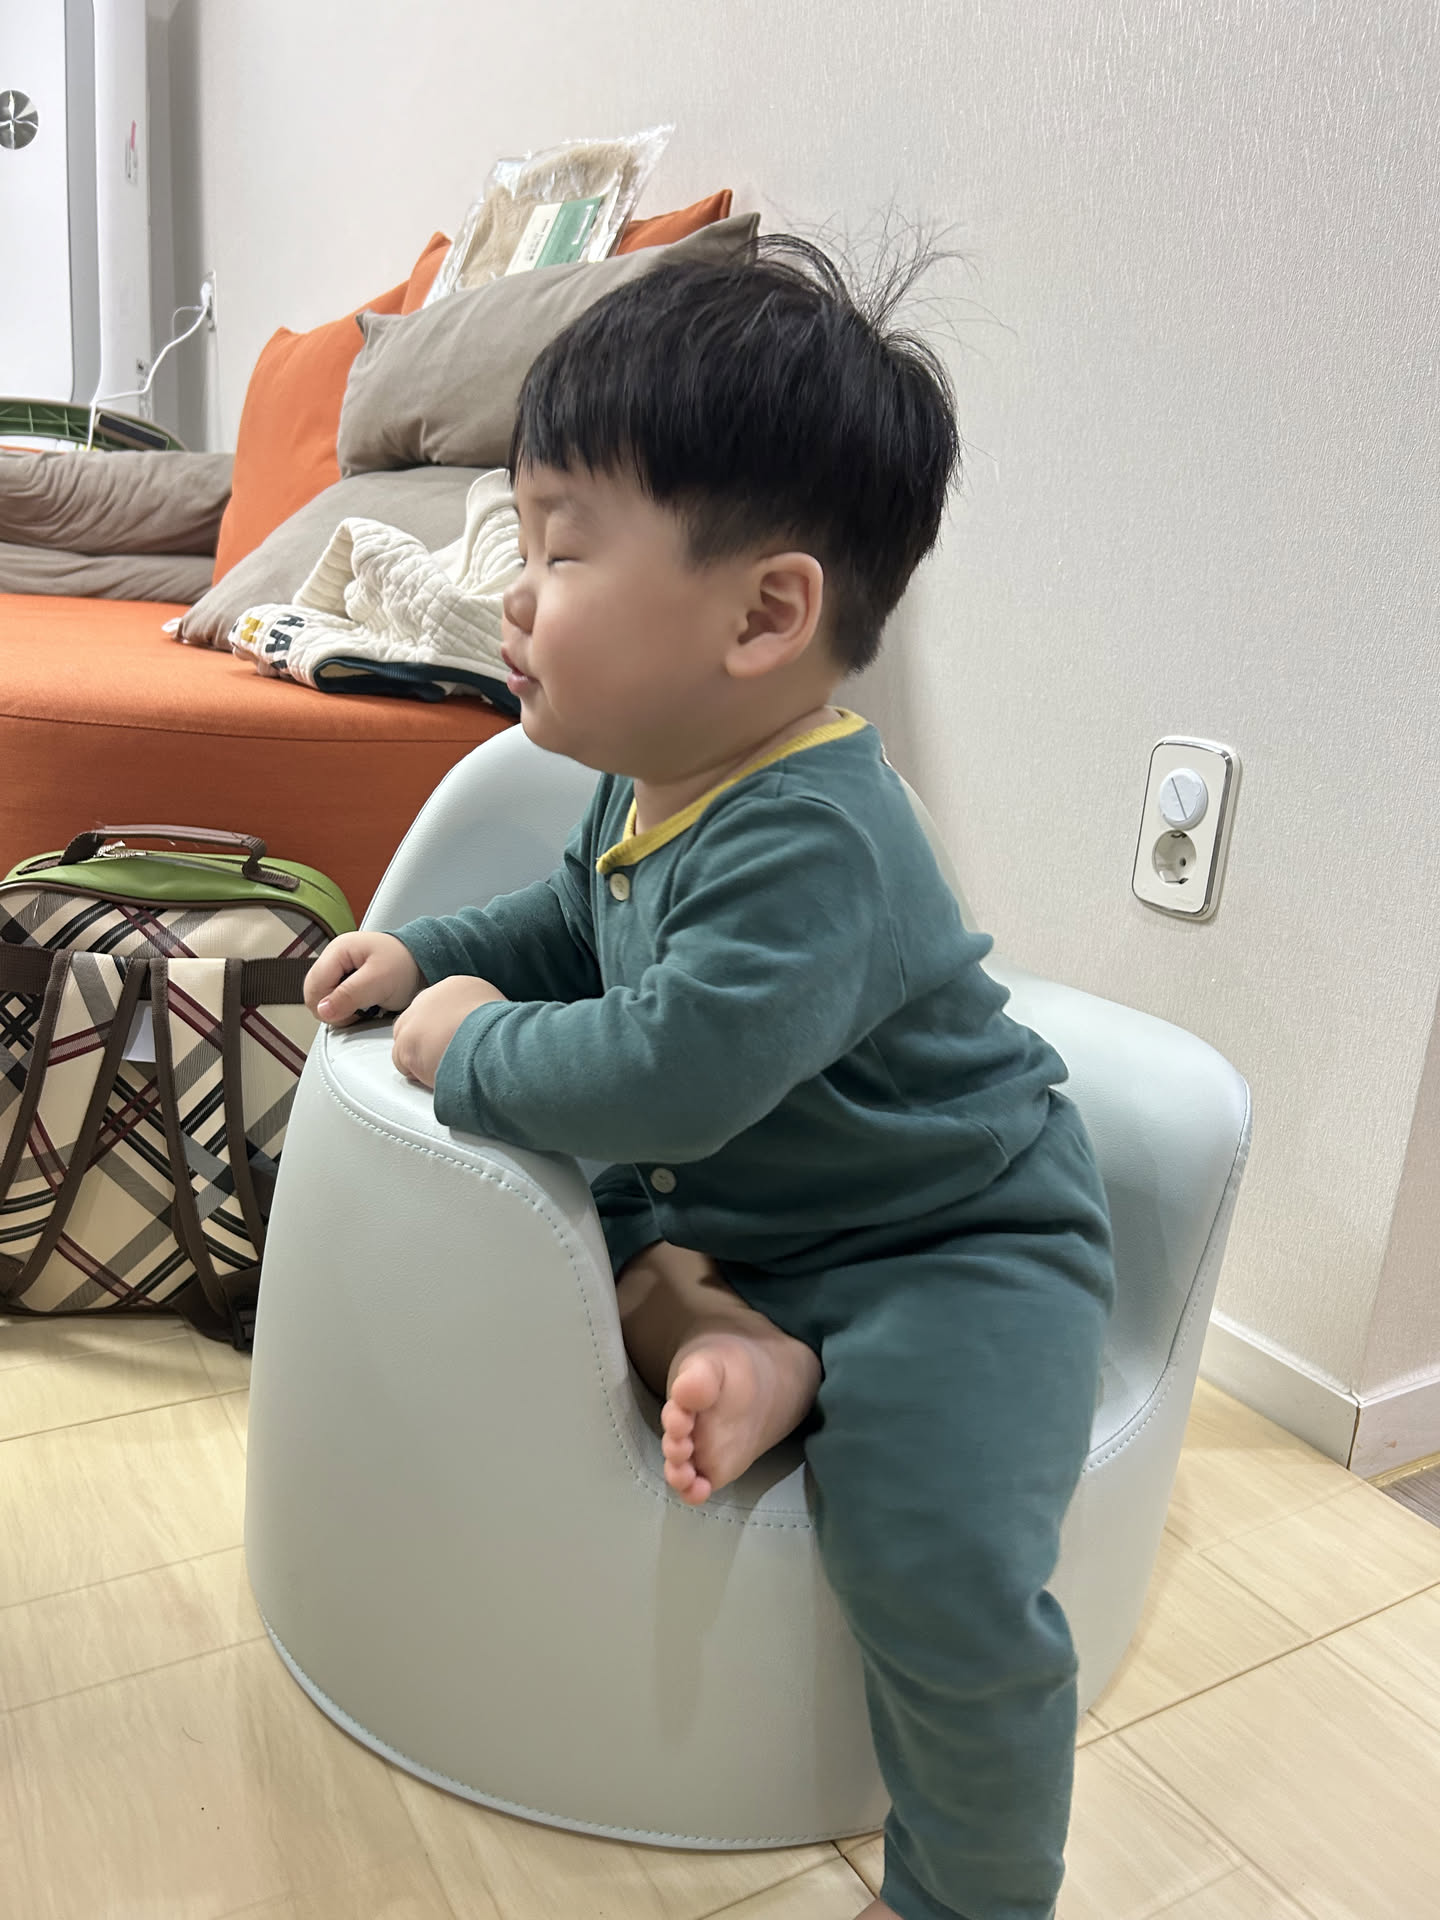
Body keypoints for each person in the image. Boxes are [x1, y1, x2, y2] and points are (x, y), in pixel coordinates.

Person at [303, 234, 1116, 1920]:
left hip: (952, 1240)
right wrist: (433, 952)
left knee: (946, 1566)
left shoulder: (817, 836)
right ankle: (761, 1352)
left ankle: (967, 1895)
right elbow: (571, 925)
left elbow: (669, 1072)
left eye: (561, 548)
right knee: (579, 1253)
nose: (516, 595)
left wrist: (466, 1042)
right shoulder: (653, 779)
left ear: (763, 616)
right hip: (762, 1215)